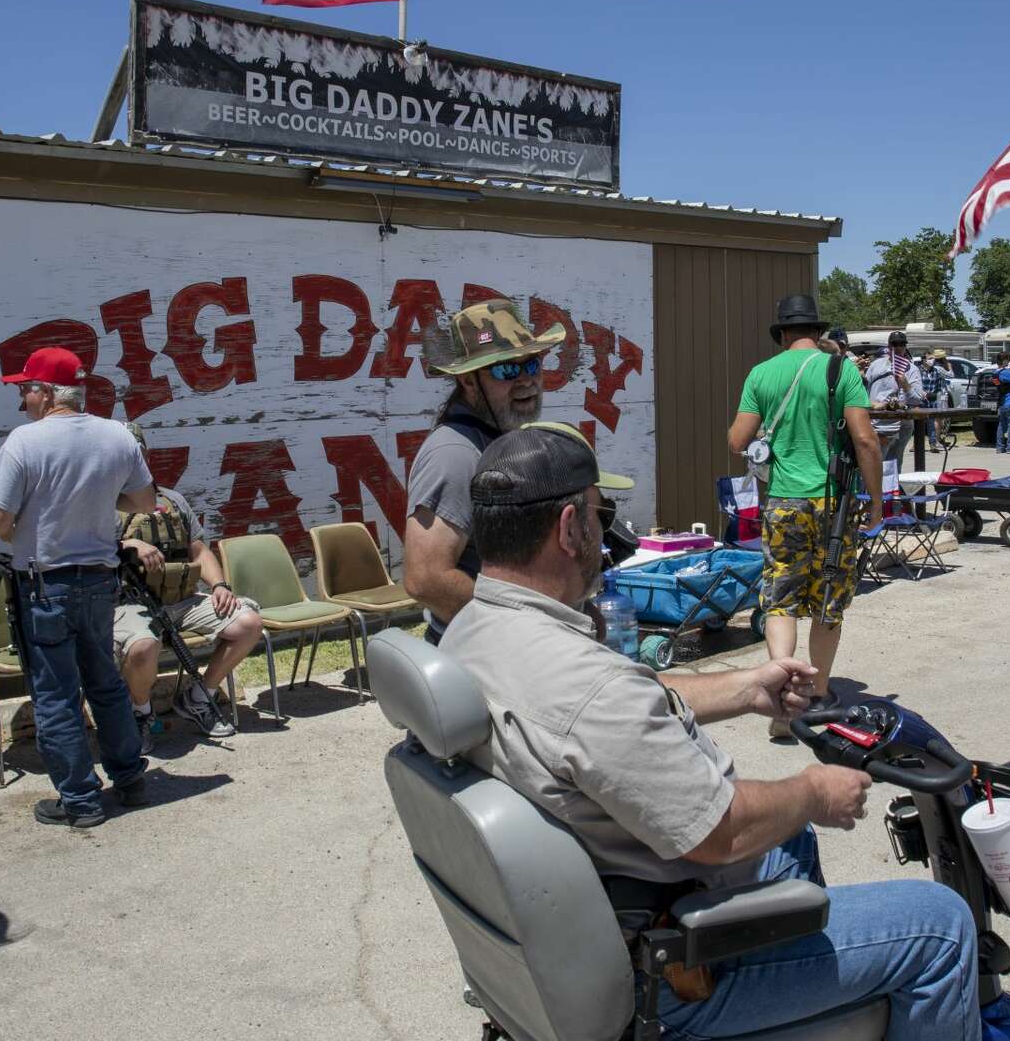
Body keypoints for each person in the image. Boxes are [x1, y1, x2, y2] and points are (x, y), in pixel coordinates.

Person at [440, 422, 977, 1039]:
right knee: (941, 924)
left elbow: (614, 714)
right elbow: (719, 831)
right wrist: (813, 791)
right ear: (568, 528)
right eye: (599, 510)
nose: (605, 526)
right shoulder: (588, 690)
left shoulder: (475, 631)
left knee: (788, 844)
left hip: (587, 924)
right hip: (668, 969)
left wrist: (747, 688)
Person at [0, 346, 155, 826]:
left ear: (44, 392)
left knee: (56, 693)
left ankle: (79, 799)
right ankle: (130, 778)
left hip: (46, 581)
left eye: (24, 389)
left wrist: (28, 529)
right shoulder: (117, 436)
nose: (22, 399)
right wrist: (93, 502)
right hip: (99, 579)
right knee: (105, 682)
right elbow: (143, 499)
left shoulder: (26, 442)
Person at [728, 295, 883, 738]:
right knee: (828, 601)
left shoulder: (761, 374)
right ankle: (817, 694)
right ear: (817, 332)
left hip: (783, 502)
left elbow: (738, 440)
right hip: (834, 504)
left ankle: (782, 702)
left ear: (781, 335)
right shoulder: (842, 370)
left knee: (781, 598)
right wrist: (874, 501)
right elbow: (866, 440)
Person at [402, 299, 559, 645]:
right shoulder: (455, 453)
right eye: (505, 369)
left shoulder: (498, 437)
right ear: (469, 382)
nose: (526, 381)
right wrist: (514, 631)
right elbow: (425, 578)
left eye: (531, 364)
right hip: (483, 658)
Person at [114, 424, 264, 747]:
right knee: (142, 649)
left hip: (181, 599)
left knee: (248, 622)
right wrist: (128, 546)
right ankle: (140, 712)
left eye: (135, 454)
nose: (130, 461)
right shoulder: (101, 506)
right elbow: (93, 558)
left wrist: (220, 585)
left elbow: (199, 550)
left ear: (144, 456)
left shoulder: (173, 500)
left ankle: (199, 696)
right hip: (128, 605)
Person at [863, 330, 924, 468]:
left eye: (901, 344)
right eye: (894, 344)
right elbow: (864, 392)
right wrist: (874, 405)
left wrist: (905, 384)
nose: (898, 347)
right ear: (889, 346)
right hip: (879, 422)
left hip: (903, 423)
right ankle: (874, 490)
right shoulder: (876, 365)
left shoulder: (912, 369)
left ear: (905, 346)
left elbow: (917, 400)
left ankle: (892, 489)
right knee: (876, 464)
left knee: (895, 463)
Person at [920, 349, 950, 453]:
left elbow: (941, 386)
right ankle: (917, 443)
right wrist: (921, 393)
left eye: (933, 358)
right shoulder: (918, 371)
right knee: (919, 423)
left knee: (931, 422)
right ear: (924, 360)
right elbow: (915, 385)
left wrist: (941, 396)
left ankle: (933, 444)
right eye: (930, 358)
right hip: (921, 400)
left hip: (932, 400)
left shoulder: (936, 371)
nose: (932, 360)